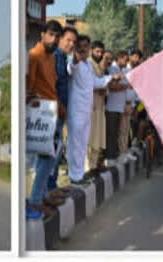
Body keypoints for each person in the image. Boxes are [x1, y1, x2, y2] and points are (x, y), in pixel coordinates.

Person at [67, 34, 116, 185]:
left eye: (85, 47)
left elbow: (95, 82)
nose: (83, 49)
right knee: (75, 144)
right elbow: (71, 67)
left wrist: (111, 79)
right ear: (76, 48)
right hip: (75, 110)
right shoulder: (74, 62)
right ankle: (74, 177)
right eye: (80, 46)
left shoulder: (88, 65)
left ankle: (79, 175)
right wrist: (76, 57)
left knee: (82, 144)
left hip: (86, 111)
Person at [26, 20, 62, 220]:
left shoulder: (51, 57)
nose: (54, 39)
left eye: (57, 36)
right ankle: (35, 201)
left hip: (53, 112)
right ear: (42, 34)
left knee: (50, 159)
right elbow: (29, 90)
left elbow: (52, 85)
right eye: (51, 34)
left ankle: (41, 196)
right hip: (41, 115)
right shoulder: (35, 56)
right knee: (46, 159)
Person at [47, 25, 77, 197]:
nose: (71, 44)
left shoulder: (63, 58)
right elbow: (52, 85)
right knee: (51, 154)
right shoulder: (56, 57)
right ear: (60, 39)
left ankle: (51, 187)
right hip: (54, 113)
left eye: (73, 42)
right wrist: (60, 106)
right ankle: (48, 190)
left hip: (60, 113)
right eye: (68, 40)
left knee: (56, 153)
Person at [104, 51, 131, 163]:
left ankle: (114, 155)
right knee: (111, 133)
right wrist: (126, 86)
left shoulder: (121, 70)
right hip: (112, 107)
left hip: (119, 107)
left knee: (116, 133)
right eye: (125, 59)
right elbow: (112, 86)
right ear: (119, 58)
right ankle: (109, 158)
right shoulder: (113, 69)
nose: (126, 61)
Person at [87, 40, 108, 171]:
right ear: (91, 51)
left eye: (101, 52)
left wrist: (104, 89)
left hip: (100, 107)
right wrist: (99, 88)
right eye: (97, 51)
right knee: (89, 139)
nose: (99, 54)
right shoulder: (88, 64)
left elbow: (104, 84)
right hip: (90, 107)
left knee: (97, 138)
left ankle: (93, 166)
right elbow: (88, 83)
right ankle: (87, 168)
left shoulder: (99, 66)